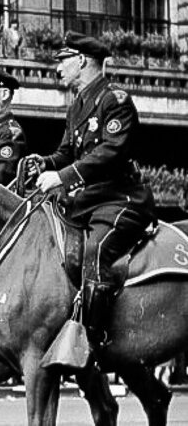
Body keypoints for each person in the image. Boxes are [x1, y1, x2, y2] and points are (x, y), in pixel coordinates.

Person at [27, 31, 156, 346]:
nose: (58, 68)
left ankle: (90, 342)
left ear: (81, 60)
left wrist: (63, 176)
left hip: (120, 201)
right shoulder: (76, 106)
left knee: (95, 251)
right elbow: (67, 153)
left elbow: (111, 152)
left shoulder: (115, 100)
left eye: (63, 61)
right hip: (87, 203)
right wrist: (45, 163)